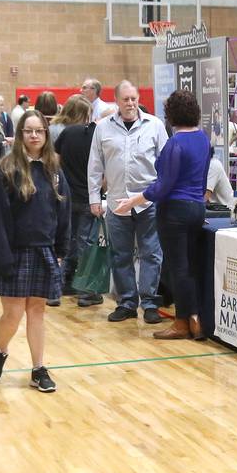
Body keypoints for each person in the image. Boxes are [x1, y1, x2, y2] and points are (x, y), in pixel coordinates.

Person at [0, 110, 70, 393]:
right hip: (13, 252)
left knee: (37, 312)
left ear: (46, 135)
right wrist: (4, 256)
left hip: (43, 250)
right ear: (19, 135)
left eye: (39, 131)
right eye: (28, 131)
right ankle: (2, 350)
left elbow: (63, 211)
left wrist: (61, 248)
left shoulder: (54, 170)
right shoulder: (4, 170)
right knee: (13, 314)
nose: (34, 136)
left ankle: (38, 368)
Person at [114, 89, 210, 340]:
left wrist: (133, 200)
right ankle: (194, 318)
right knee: (190, 266)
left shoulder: (175, 144)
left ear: (171, 115)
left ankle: (181, 322)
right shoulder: (203, 139)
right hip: (197, 208)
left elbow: (163, 187)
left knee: (178, 267)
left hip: (175, 211)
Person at [88, 80, 168, 324]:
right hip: (116, 203)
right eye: (126, 99)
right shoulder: (102, 129)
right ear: (117, 101)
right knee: (120, 255)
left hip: (148, 202)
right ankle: (127, 303)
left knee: (151, 254)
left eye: (134, 98)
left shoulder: (155, 125)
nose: (131, 103)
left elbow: (166, 164)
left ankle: (150, 303)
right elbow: (94, 165)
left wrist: (163, 196)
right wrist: (94, 198)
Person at [52, 95, 103, 308]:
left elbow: (55, 162)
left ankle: (58, 287)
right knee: (85, 244)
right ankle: (86, 290)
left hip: (67, 196)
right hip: (87, 197)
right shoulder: (95, 134)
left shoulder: (66, 133)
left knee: (68, 242)